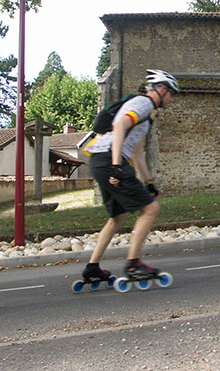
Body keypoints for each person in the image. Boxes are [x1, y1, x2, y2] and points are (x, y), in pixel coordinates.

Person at [82, 69, 179, 283]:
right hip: (109, 160)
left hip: (100, 160)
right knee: (151, 209)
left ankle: (92, 267)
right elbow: (119, 126)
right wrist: (117, 166)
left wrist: (149, 183)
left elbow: (138, 153)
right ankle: (133, 263)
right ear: (161, 90)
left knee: (118, 217)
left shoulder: (146, 114)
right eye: (171, 94)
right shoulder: (143, 104)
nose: (172, 99)